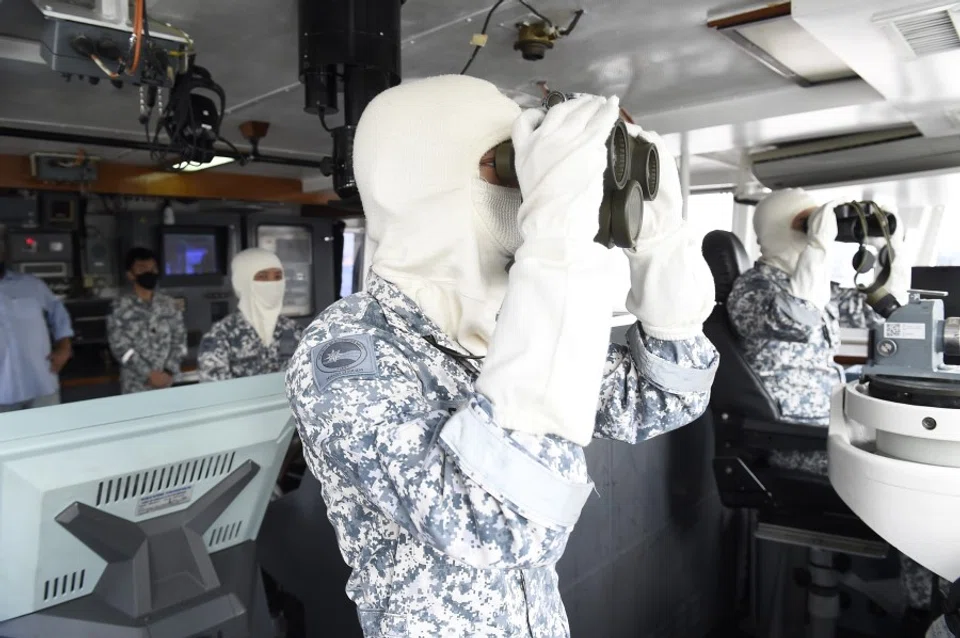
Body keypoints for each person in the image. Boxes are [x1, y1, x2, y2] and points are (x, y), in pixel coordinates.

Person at [285, 75, 719, 636]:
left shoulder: (502, 323)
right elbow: (500, 523)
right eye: (511, 163)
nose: (526, 188)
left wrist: (660, 240)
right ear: (426, 182)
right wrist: (557, 251)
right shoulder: (349, 352)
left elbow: (662, 399)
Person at [724, 188, 942, 627]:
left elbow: (881, 313)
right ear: (787, 230)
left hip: (831, 435)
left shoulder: (808, 282)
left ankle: (927, 602)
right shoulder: (753, 290)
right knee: (920, 490)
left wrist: (887, 252)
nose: (816, 235)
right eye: (809, 224)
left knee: (929, 472)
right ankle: (923, 612)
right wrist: (819, 246)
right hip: (797, 445)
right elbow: (798, 315)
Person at [197, 248, 302, 382]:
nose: (272, 284)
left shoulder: (296, 331)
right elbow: (214, 393)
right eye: (262, 277)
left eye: (277, 277)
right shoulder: (221, 336)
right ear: (242, 282)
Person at [0, 224, 74, 412]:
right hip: (3, 395)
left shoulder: (31, 285)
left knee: (52, 440)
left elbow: (58, 312)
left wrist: (64, 346)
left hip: (41, 385)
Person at [107, 246, 187, 394]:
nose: (149, 272)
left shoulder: (169, 304)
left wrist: (169, 371)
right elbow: (121, 349)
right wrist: (148, 374)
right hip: (136, 386)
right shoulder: (119, 308)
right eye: (142, 268)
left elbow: (180, 340)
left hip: (169, 384)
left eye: (153, 268)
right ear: (130, 274)